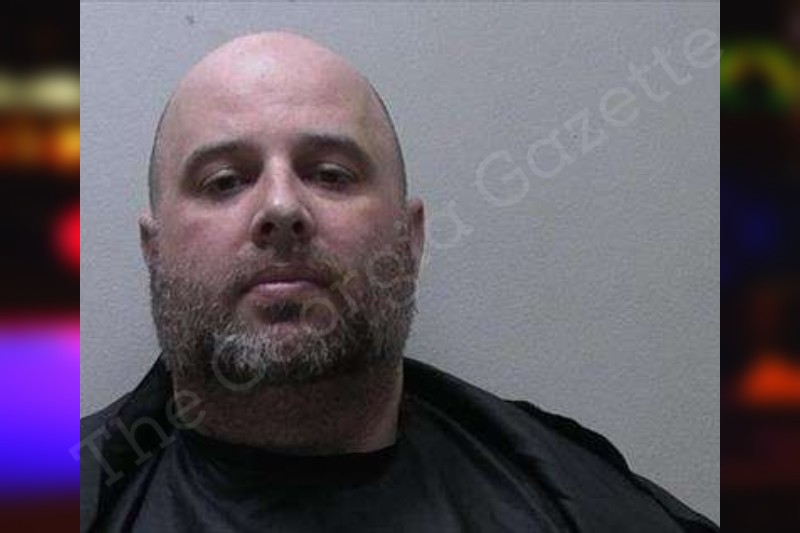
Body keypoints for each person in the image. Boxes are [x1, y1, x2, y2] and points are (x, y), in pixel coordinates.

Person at [79, 32, 719, 532]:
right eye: (224, 181)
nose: (281, 207)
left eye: (331, 174)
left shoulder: (576, 505)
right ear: (153, 252)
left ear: (410, 242)